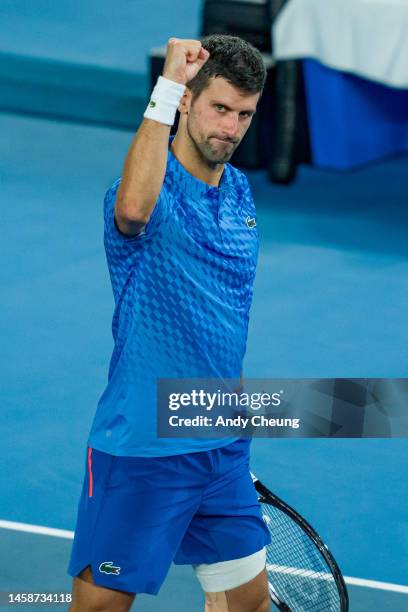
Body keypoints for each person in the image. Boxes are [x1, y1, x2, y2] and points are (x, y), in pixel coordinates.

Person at [68, 34, 271, 611]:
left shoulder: (240, 195)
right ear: (186, 102)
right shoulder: (143, 196)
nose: (231, 129)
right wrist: (166, 87)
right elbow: (133, 210)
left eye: (245, 115)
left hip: (220, 446)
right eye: (219, 108)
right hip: (143, 450)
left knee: (247, 605)